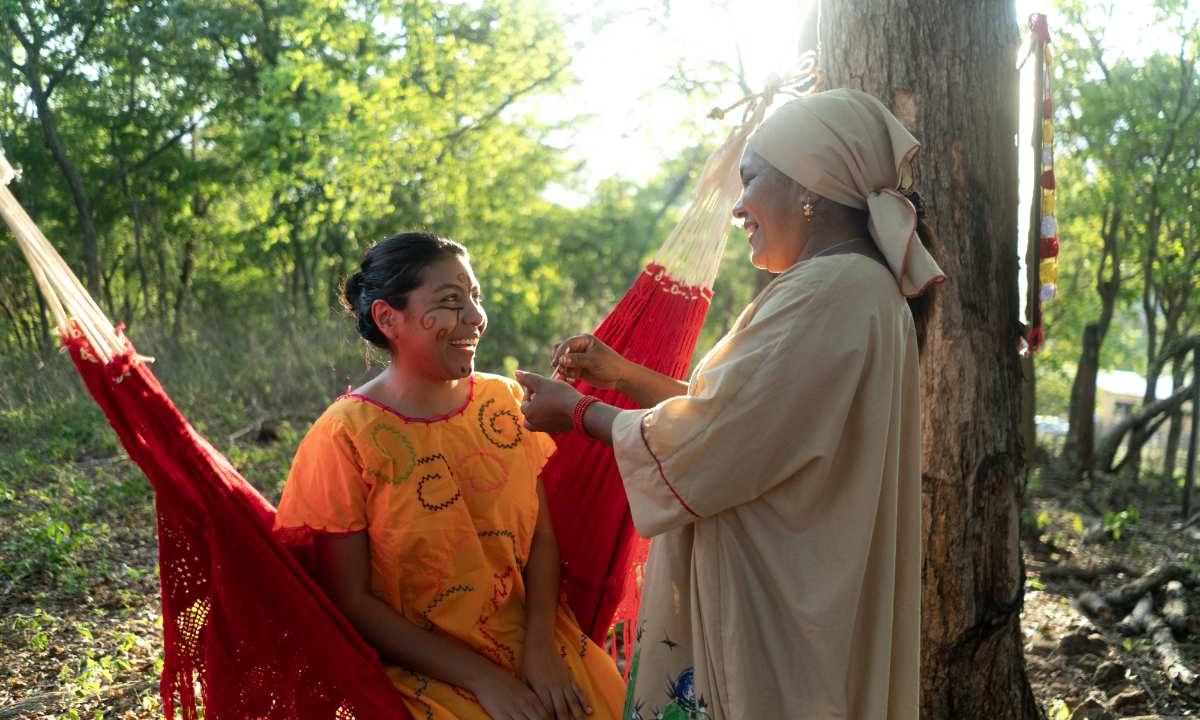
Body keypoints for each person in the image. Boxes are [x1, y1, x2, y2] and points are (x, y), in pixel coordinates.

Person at [516, 89, 945, 719]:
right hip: (798, 587)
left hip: (776, 614)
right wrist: (620, 373)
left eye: (749, 181)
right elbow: (750, 426)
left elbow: (715, 438)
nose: (739, 207)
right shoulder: (854, 287)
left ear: (808, 185)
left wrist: (577, 414)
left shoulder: (831, 289)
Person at [274, 232, 625, 720]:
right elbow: (350, 598)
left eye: (475, 298)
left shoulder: (505, 404)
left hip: (534, 642)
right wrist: (482, 679)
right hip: (420, 669)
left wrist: (541, 648)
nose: (476, 318)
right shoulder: (345, 436)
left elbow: (542, 540)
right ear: (387, 318)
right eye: (451, 302)